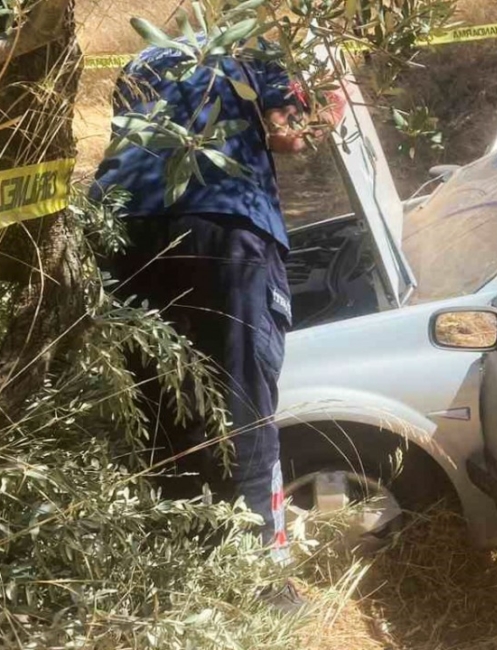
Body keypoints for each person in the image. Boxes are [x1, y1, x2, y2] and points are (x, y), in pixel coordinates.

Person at [91, 37, 344, 606]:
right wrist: (333, 100)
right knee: (243, 409)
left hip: (119, 228)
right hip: (222, 229)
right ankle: (262, 593)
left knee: (156, 406)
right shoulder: (265, 52)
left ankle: (173, 578)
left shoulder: (144, 58)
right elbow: (290, 133)